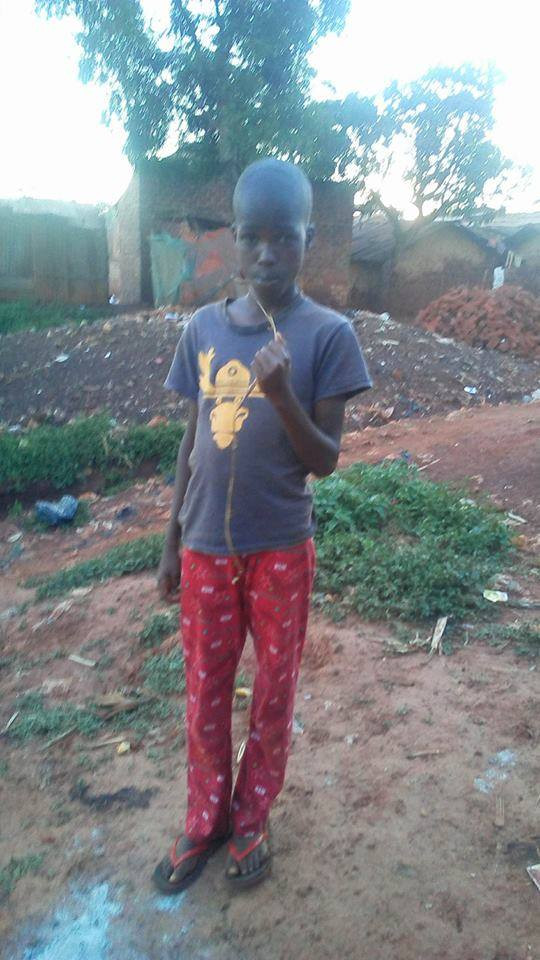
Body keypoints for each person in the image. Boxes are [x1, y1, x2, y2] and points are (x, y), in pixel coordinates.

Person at [153, 158, 371, 894]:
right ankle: (205, 817)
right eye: (253, 237)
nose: (268, 254)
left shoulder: (329, 335)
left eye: (286, 237)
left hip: (281, 551)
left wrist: (281, 395)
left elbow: (326, 460)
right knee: (204, 691)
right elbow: (191, 442)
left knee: (273, 693)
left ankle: (251, 818)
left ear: (310, 238)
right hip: (205, 552)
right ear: (234, 239)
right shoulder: (203, 329)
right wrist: (170, 543)